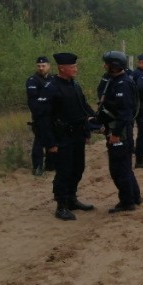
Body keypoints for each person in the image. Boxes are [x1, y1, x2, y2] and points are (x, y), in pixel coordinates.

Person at [36, 53, 96, 221]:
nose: (76, 69)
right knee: (64, 172)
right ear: (62, 68)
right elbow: (42, 118)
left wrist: (90, 127)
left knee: (78, 169)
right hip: (61, 138)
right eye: (73, 67)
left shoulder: (75, 85)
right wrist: (50, 143)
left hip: (77, 135)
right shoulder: (51, 87)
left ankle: (72, 199)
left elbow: (83, 108)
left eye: (76, 66)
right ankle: (61, 205)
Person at [99, 51, 142, 213]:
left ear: (115, 66)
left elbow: (125, 113)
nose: (105, 66)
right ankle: (135, 197)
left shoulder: (123, 84)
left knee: (118, 169)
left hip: (121, 132)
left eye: (108, 63)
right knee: (125, 167)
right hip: (118, 129)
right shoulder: (114, 80)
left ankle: (127, 202)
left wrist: (115, 134)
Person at [26, 56, 54, 176]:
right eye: (39, 66)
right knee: (39, 141)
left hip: (53, 116)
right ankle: (37, 166)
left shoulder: (53, 79)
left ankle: (51, 165)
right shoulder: (33, 80)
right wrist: (39, 113)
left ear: (49, 66)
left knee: (52, 140)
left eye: (43, 66)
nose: (41, 68)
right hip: (40, 116)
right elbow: (33, 100)